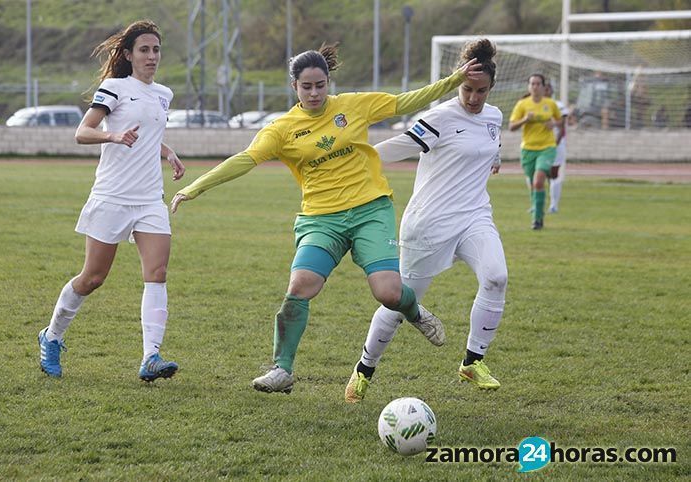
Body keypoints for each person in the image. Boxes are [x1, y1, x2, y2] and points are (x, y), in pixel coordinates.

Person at [171, 43, 483, 394]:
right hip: (321, 219)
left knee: (389, 293)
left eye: (320, 85)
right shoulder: (282, 129)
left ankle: (414, 311)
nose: (315, 92)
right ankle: (281, 369)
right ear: (295, 87)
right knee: (300, 286)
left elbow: (405, 101)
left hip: (370, 210)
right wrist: (195, 187)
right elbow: (245, 159)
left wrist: (452, 80)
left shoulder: (353, 105)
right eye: (307, 86)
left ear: (328, 81)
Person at [344, 38, 506, 402]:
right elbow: (398, 147)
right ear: (457, 84)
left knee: (497, 277)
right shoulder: (441, 117)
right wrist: (354, 159)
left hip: (474, 217)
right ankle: (365, 368)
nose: (474, 97)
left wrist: (495, 159)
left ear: (491, 88)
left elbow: (492, 145)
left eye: (481, 91)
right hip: (429, 224)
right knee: (400, 303)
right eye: (467, 89)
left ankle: (472, 361)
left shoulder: (494, 117)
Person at [37, 20, 186, 382]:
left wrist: (167, 152)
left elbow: (149, 132)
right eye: (144, 50)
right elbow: (82, 132)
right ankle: (51, 336)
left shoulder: (163, 94)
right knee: (93, 277)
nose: (152, 56)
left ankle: (151, 356)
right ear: (128, 55)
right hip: (112, 197)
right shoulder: (114, 87)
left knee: (157, 273)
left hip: (150, 198)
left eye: (156, 49)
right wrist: (114, 136)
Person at [509, 73, 562, 230]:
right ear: (528, 86)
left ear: (544, 87)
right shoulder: (522, 104)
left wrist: (553, 124)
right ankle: (537, 211)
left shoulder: (550, 104)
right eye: (532, 84)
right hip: (528, 150)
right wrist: (525, 119)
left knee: (539, 181)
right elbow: (511, 127)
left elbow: (559, 121)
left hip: (547, 147)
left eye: (538, 84)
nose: (535, 87)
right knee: (534, 184)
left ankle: (537, 219)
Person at [545, 81, 569, 214]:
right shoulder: (535, 105)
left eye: (548, 88)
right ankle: (537, 204)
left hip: (555, 144)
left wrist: (556, 143)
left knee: (554, 173)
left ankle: (554, 205)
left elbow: (562, 127)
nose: (546, 91)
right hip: (539, 145)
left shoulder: (558, 105)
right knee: (540, 174)